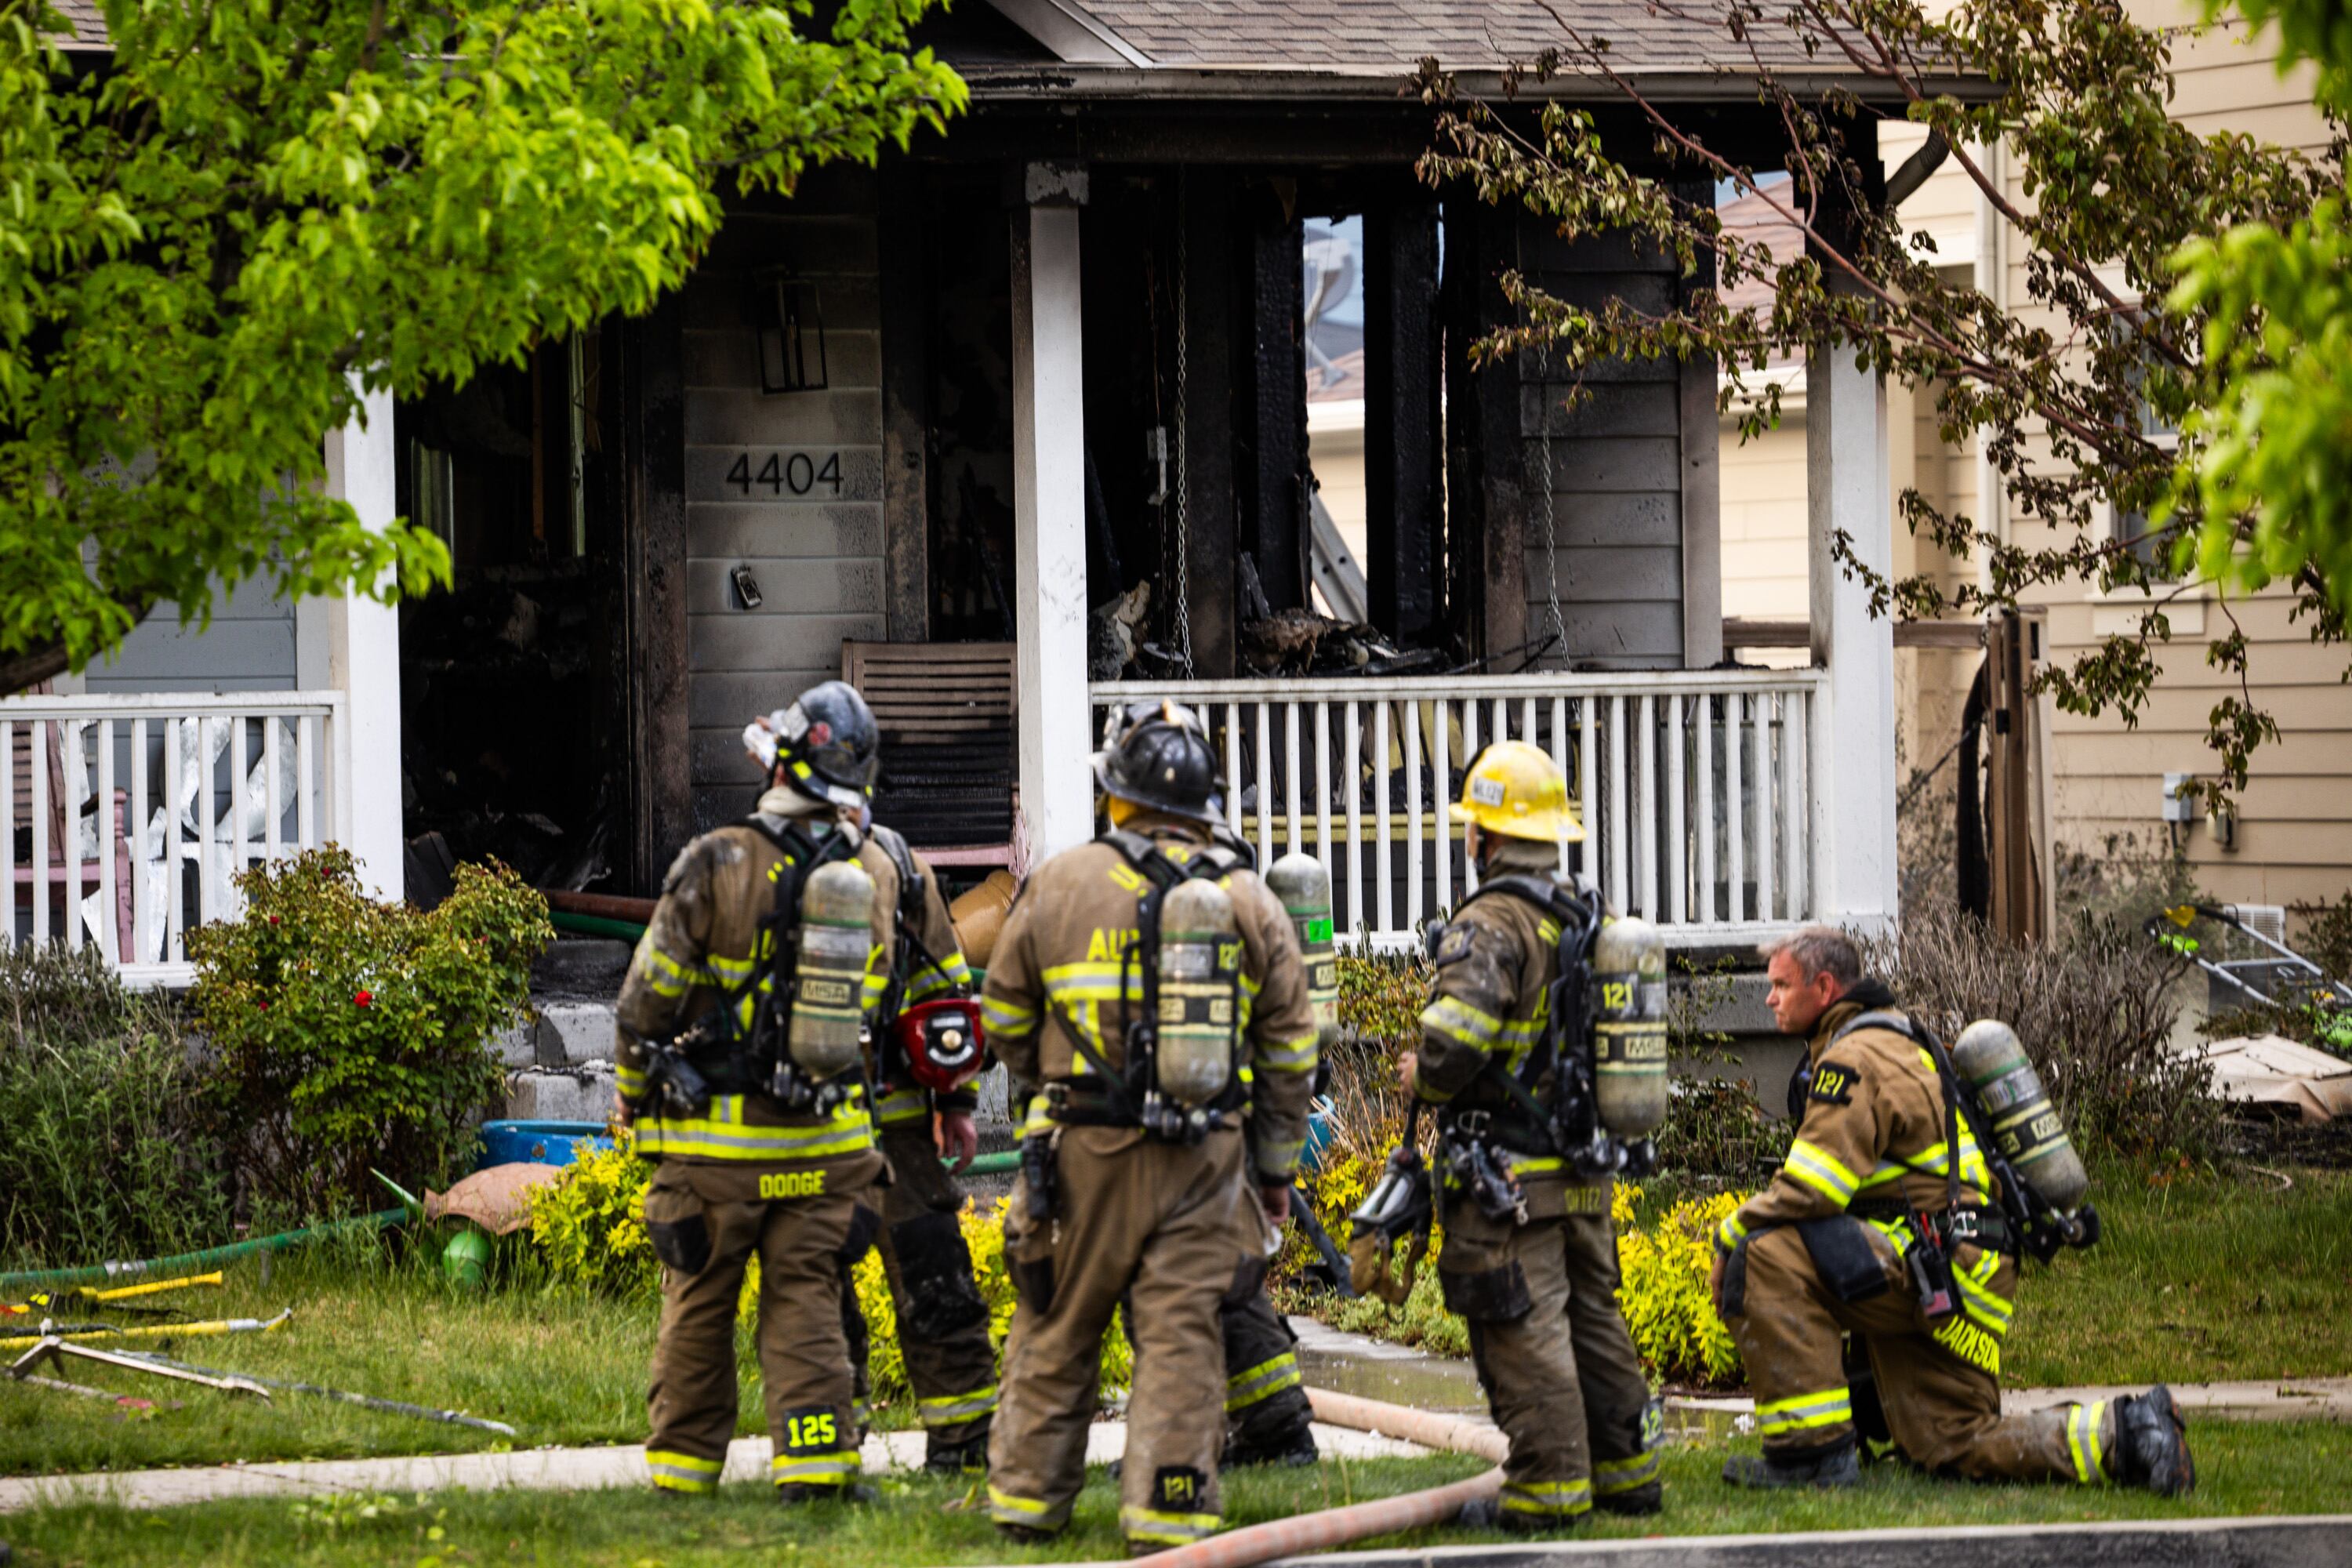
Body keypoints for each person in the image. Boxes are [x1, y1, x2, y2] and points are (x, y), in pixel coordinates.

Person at [981, 700, 1319, 1554]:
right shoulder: (1247, 898)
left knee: (1059, 1321)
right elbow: (1289, 1051)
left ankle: (1027, 1506)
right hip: (1206, 1157)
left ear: (1119, 797)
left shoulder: (1058, 883)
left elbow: (1004, 1017)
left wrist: (1047, 1078)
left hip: (1082, 1150)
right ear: (1204, 806)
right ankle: (1169, 1514)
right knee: (1181, 1336)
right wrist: (1274, 1171)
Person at [1710, 926, 2194, 1494]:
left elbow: (1814, 1190)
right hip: (1965, 1268)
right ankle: (2131, 1433)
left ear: (1823, 987)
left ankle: (1810, 1460)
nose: (1769, 998)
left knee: (1764, 1254)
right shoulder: (1901, 1042)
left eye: (1780, 986)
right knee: (1952, 1442)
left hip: (1938, 1267)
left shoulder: (1855, 1060)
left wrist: (1727, 1234)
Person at [612, 680, 892, 1504]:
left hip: (717, 1153)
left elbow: (643, 1001)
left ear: (779, 762)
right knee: (807, 1298)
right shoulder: (871, 868)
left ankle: (684, 1474)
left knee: (700, 1301)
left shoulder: (715, 861)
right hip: (827, 1149)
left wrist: (633, 1091)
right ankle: (814, 1468)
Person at [1400, 740, 1661, 1533]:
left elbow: (1458, 1040)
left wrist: (1420, 1071)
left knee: (1523, 1323)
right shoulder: (1587, 914)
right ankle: (1629, 1475)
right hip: (1581, 1162)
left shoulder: (1491, 920)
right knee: (1593, 1315)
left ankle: (1548, 1489)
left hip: (1508, 1174)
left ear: (1484, 836)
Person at [847, 808, 999, 1475]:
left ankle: (957, 1441)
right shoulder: (759, 862)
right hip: (838, 1122)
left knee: (929, 1275)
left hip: (867, 1122)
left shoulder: (901, 871)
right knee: (818, 1286)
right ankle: (827, 1443)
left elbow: (943, 996)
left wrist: (958, 1100)